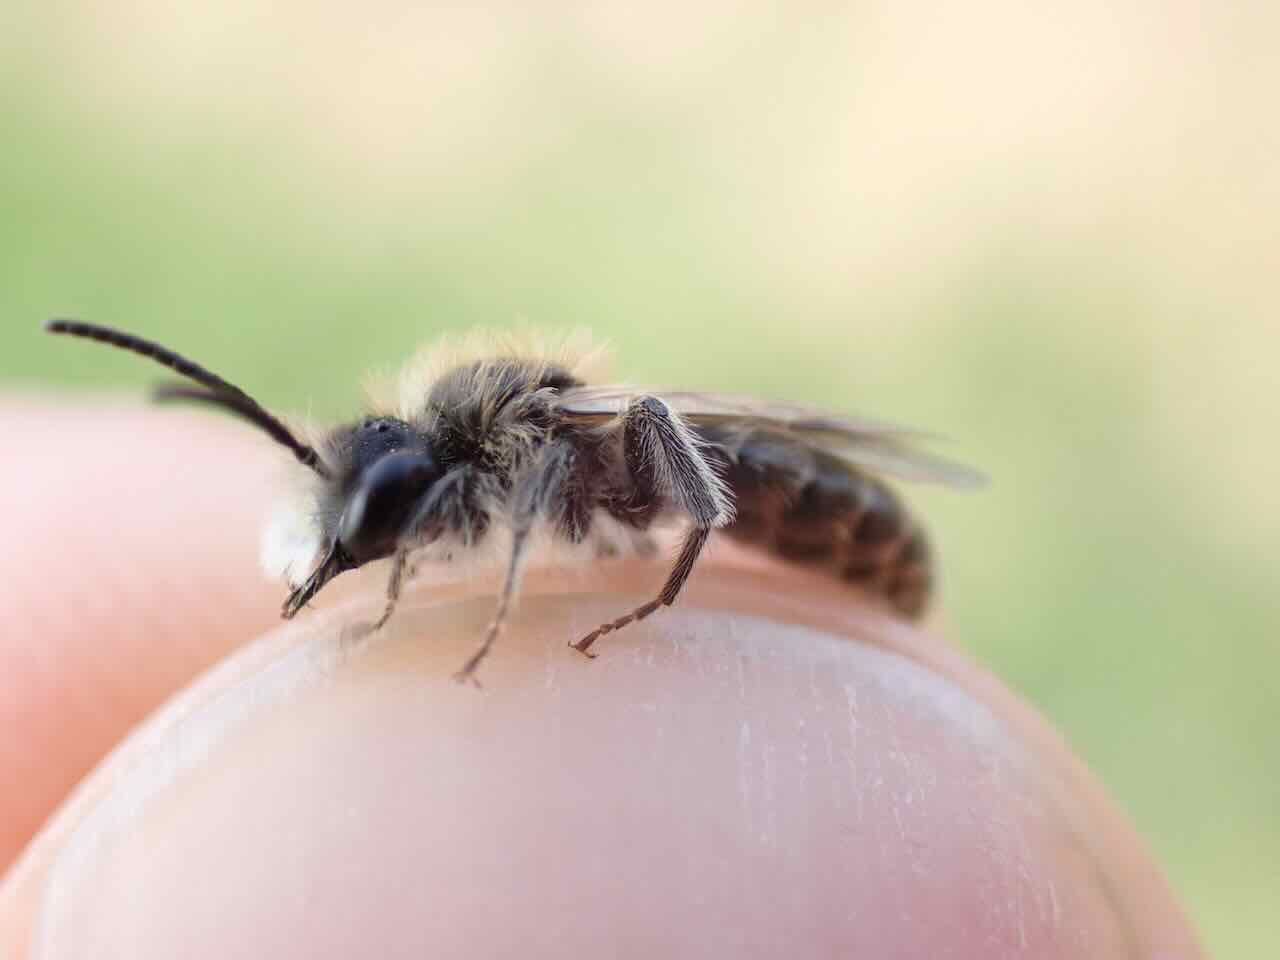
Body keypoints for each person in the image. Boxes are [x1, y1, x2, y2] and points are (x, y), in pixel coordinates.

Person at [0, 402, 1204, 957]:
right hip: (702, 501)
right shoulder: (451, 474)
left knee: (659, 443)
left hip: (766, 498)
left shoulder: (527, 450)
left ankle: (674, 586)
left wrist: (527, 621)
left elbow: (570, 484)